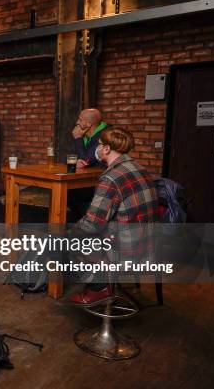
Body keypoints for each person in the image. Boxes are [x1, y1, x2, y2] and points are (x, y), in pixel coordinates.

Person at [68, 127, 159, 305]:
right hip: (148, 244)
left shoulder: (110, 178)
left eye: (99, 145)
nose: (97, 149)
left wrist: (72, 230)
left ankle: (99, 287)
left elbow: (92, 225)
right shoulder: (139, 168)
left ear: (107, 149)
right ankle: (103, 281)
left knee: (65, 240)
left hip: (126, 250)